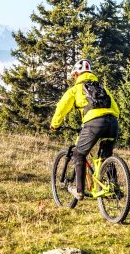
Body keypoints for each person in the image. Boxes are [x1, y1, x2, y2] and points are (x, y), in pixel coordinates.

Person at [50, 59, 120, 200]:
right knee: (105, 156)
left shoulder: (76, 89)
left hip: (94, 124)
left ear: (76, 75)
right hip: (113, 123)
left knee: (78, 154)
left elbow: (61, 108)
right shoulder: (102, 88)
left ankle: (80, 191)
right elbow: (116, 110)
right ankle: (114, 188)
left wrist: (54, 125)